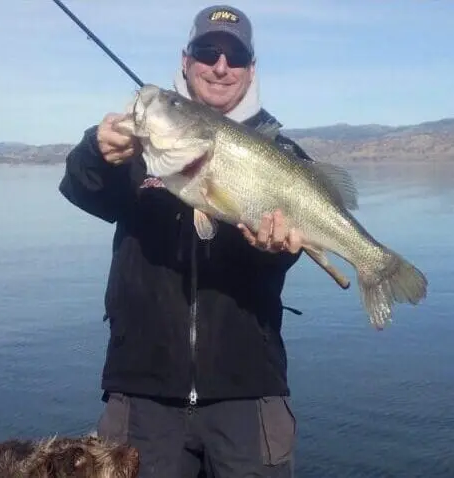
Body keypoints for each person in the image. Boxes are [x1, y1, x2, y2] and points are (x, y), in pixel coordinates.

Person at [59, 5, 314, 478]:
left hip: (248, 394)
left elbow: (283, 260)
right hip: (142, 394)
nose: (220, 66)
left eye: (234, 57)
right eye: (207, 51)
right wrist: (98, 151)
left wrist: (275, 252)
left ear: (250, 69)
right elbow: (82, 189)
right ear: (185, 59)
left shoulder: (282, 156)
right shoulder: (144, 142)